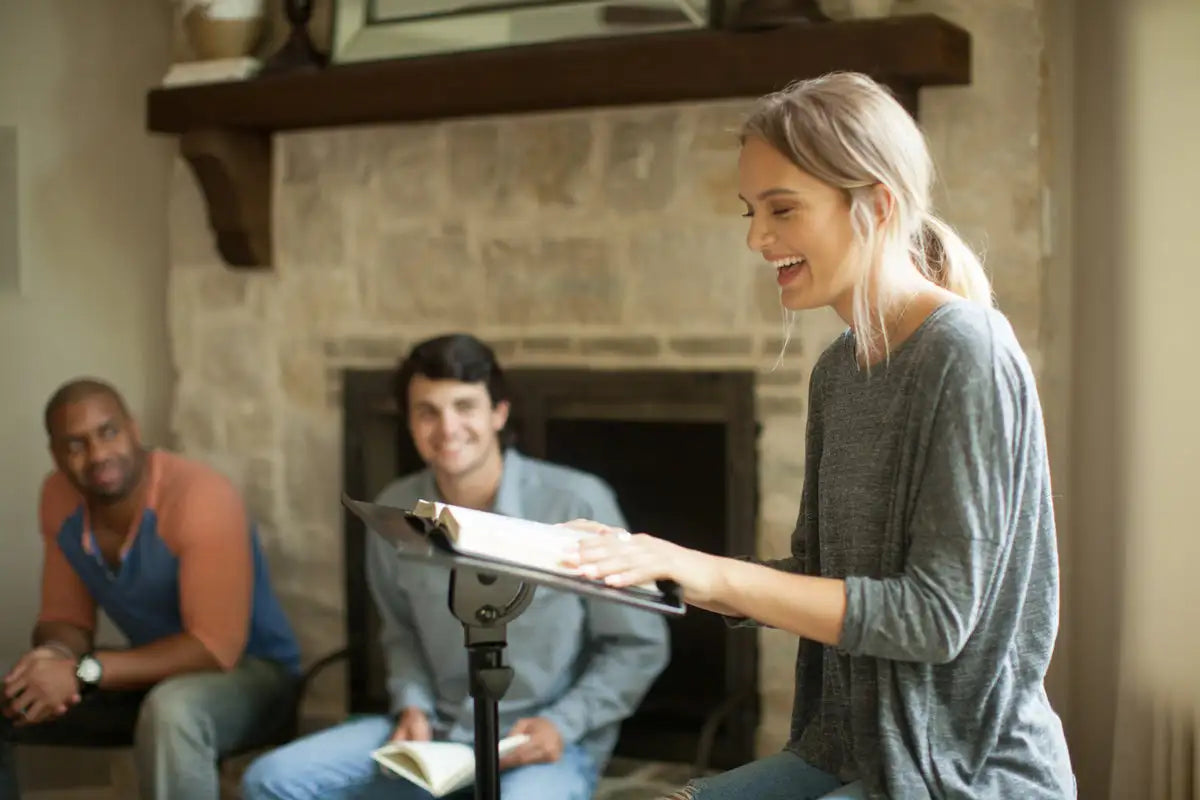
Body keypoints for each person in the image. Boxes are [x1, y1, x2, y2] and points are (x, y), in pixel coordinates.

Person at [563, 72, 1076, 799]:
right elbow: (819, 571)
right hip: (844, 749)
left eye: (782, 209)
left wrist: (715, 573)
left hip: (957, 774)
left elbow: (934, 618)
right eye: (750, 211)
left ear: (878, 205)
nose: (756, 238)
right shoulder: (840, 369)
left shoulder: (968, 354)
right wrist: (656, 569)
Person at [241, 333, 670, 800]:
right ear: (409, 422)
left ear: (498, 414)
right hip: (437, 735)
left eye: (464, 406)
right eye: (428, 411)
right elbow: (399, 632)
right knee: (270, 780)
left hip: (542, 744)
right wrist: (412, 706)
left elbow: (638, 644)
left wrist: (563, 724)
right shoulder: (396, 508)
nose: (447, 428)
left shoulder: (578, 502)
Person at [0, 378, 302, 800]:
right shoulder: (58, 496)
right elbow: (64, 618)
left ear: (134, 429)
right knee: (12, 694)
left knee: (173, 710)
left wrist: (84, 672)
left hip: (253, 676)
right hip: (148, 674)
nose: (98, 454)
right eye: (75, 444)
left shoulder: (199, 496)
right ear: (56, 455)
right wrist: (52, 660)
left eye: (108, 432)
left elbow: (215, 648)